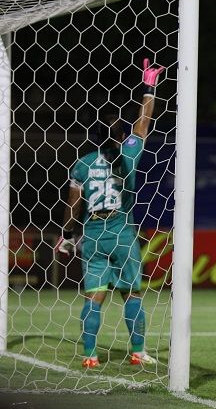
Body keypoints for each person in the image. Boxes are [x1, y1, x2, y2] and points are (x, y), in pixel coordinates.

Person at [54, 59, 165, 368]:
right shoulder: (128, 152)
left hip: (92, 234)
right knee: (131, 295)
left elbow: (73, 205)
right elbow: (142, 124)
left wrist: (65, 236)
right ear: (118, 136)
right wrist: (149, 87)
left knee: (94, 297)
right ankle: (138, 351)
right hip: (122, 232)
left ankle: (90, 355)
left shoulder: (83, 162)